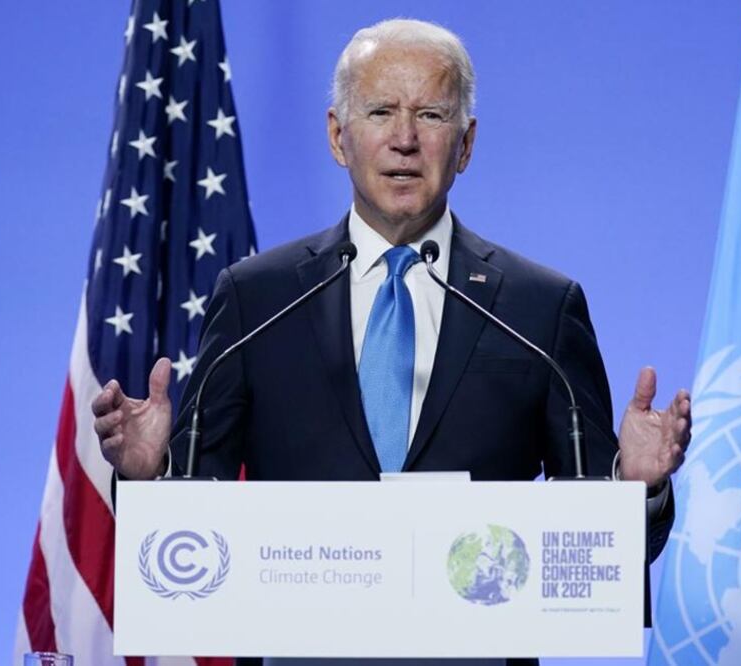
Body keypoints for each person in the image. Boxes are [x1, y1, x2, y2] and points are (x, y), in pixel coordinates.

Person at [94, 17, 691, 661]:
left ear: (464, 145)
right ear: (337, 136)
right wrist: (149, 481)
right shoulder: (256, 300)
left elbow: (594, 549)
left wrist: (637, 490)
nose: (404, 140)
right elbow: (194, 534)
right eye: (380, 111)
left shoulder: (540, 309)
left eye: (431, 115)